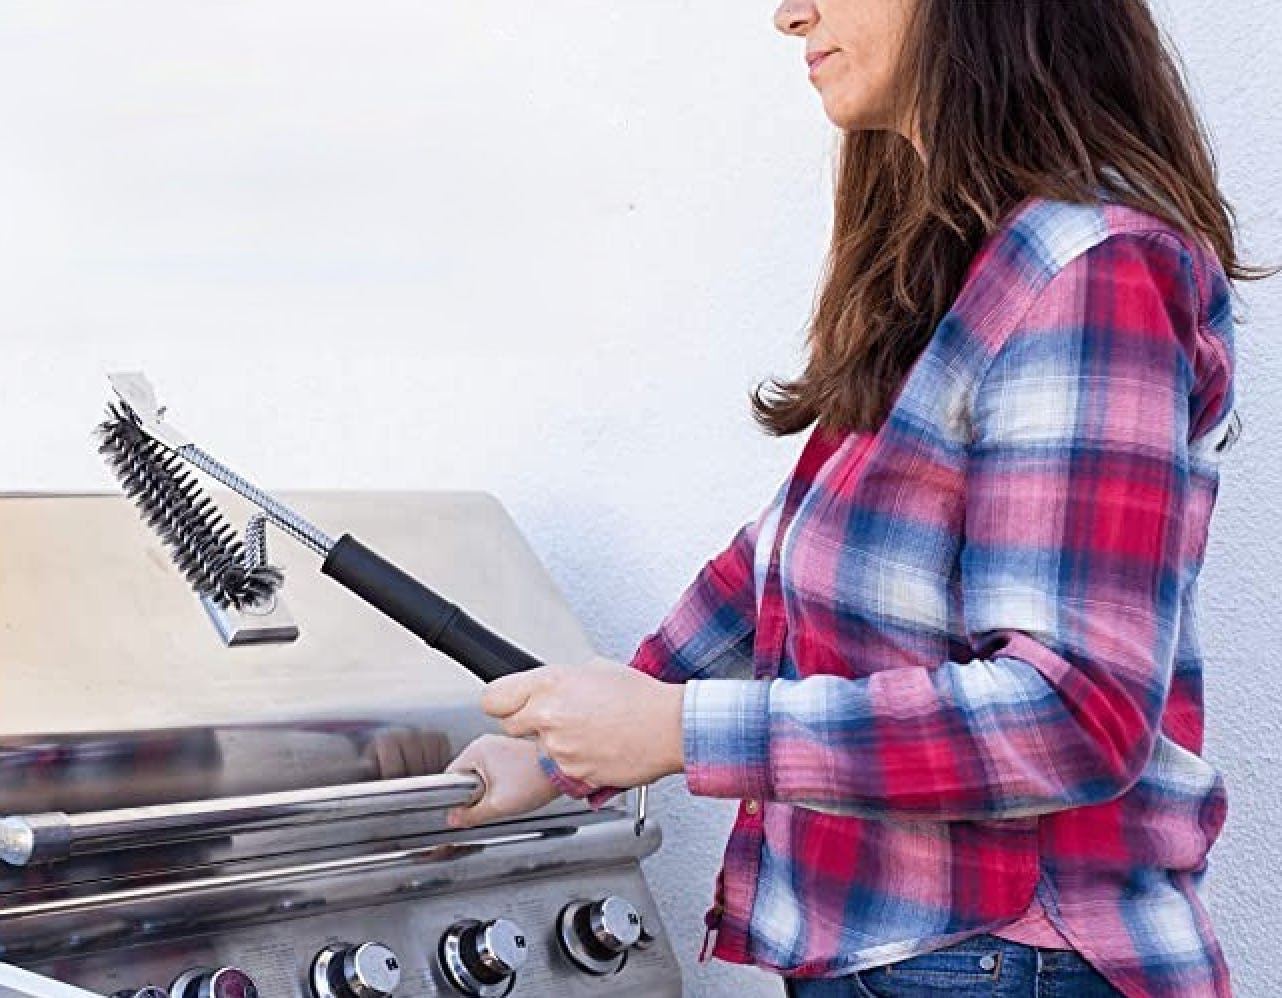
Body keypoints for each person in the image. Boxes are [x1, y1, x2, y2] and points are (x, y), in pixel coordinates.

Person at [446, 2, 1268, 995]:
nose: (790, 14)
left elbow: (1071, 713)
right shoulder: (962, 261)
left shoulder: (1090, 270)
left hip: (1011, 958)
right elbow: (785, 561)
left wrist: (676, 728)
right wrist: (567, 752)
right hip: (924, 958)